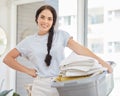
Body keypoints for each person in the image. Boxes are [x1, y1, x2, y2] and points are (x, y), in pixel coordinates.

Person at [3, 5, 112, 96]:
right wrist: (28, 71)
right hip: (39, 87)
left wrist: (103, 63)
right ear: (37, 18)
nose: (45, 21)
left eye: (49, 19)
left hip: (60, 84)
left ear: (53, 21)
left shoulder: (61, 35)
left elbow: (81, 50)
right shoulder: (28, 41)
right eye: (42, 17)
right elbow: (7, 59)